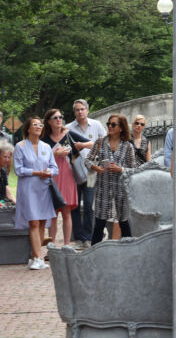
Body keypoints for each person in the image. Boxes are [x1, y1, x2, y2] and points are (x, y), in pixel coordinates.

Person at [13, 117, 58, 270]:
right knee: (33, 221)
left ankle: (34, 257)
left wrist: (49, 172)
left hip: (44, 188)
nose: (38, 127)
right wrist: (36, 172)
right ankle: (39, 257)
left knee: (42, 222)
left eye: (40, 125)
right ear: (28, 128)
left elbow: (55, 167)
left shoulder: (46, 146)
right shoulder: (20, 146)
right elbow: (18, 169)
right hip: (28, 188)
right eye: (35, 124)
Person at [88, 114, 137, 244]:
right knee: (99, 224)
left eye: (113, 124)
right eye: (108, 124)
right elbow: (87, 160)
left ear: (121, 128)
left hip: (120, 190)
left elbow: (134, 169)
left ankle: (130, 252)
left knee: (124, 223)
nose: (109, 126)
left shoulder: (128, 146)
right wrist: (95, 167)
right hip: (103, 189)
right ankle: (94, 254)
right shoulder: (100, 142)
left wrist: (120, 169)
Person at [66, 99, 106, 248]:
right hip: (73, 172)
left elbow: (104, 143)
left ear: (87, 110)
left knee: (89, 205)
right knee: (74, 205)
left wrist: (84, 144)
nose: (80, 112)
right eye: (77, 110)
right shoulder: (68, 128)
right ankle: (79, 237)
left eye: (82, 109)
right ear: (74, 112)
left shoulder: (96, 125)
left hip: (91, 171)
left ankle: (89, 236)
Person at [40, 109, 81, 247]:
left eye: (60, 117)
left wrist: (80, 146)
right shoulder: (44, 138)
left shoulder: (68, 134)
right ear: (49, 121)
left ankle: (67, 245)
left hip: (68, 175)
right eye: (55, 117)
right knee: (53, 214)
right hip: (52, 176)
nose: (58, 119)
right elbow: (39, 157)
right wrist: (55, 153)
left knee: (66, 212)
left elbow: (92, 143)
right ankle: (51, 246)